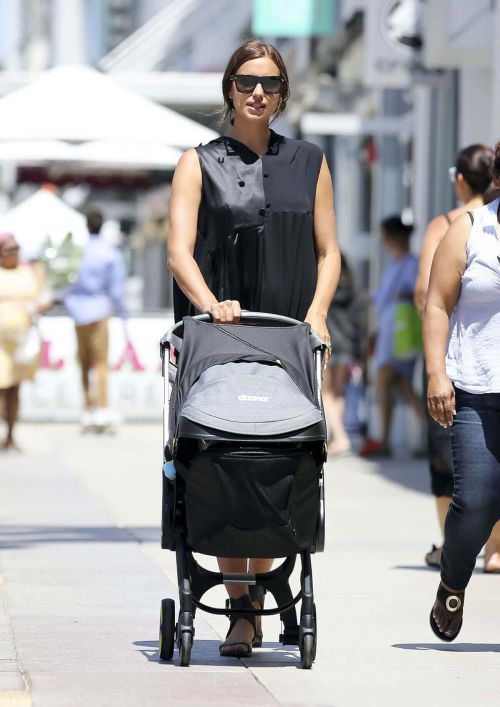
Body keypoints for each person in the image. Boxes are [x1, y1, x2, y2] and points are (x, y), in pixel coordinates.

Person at [167, 39, 340, 657]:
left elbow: (329, 251)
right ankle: (244, 608)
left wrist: (317, 313)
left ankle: (256, 599)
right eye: (246, 82)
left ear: (284, 91)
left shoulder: (312, 162)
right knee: (222, 464)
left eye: (268, 82)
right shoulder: (198, 162)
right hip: (218, 337)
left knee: (277, 461)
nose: (257, 92)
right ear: (229, 90)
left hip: (289, 340)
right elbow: (178, 251)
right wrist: (210, 301)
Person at [424, 142, 500, 641]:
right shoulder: (471, 230)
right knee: (475, 502)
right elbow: (435, 304)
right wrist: (437, 373)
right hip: (479, 389)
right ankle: (454, 581)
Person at [361, 216, 425, 457]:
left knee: (385, 379)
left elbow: (416, 293)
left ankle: (385, 439)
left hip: (401, 332)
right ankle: (433, 436)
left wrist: (403, 295)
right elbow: (384, 298)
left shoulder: (412, 263)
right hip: (391, 330)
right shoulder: (394, 264)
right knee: (404, 386)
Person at [64, 207, 127, 432]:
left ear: (86, 226)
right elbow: (117, 288)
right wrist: (122, 313)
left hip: (78, 311)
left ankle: (87, 409)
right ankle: (101, 408)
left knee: (83, 362)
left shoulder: (77, 251)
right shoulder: (110, 252)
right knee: (100, 363)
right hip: (99, 310)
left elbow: (66, 278)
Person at [0, 233, 48, 449]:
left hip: (21, 342)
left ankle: (10, 433)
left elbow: (41, 297)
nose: (14, 253)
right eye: (10, 249)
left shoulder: (27, 273)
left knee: (14, 389)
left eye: (17, 249)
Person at [323, 252, 361, 456]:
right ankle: (337, 437)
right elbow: (358, 320)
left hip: (328, 341)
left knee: (324, 392)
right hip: (347, 344)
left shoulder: (324, 288)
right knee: (338, 393)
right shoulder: (351, 289)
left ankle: (340, 437)